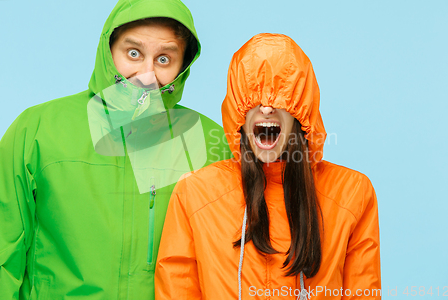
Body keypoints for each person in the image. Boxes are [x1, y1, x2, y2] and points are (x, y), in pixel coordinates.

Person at [0, 0, 230, 299]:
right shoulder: (38, 129)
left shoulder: (211, 144)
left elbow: (230, 261)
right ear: (108, 50)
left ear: (183, 66)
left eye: (164, 58)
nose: (146, 72)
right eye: (133, 53)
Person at [155, 33, 381, 299]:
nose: (266, 107)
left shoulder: (351, 192)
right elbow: (177, 287)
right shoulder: (196, 192)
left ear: (300, 108)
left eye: (281, 94)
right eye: (253, 95)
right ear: (238, 112)